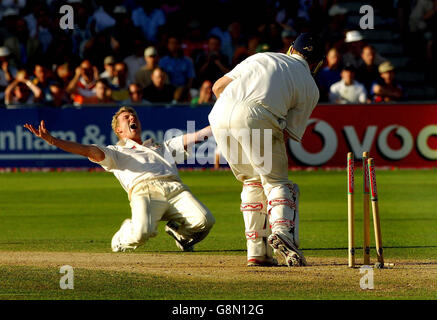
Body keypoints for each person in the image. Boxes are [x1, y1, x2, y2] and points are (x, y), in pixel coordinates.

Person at [23, 106, 215, 253]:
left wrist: (220, 123)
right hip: (145, 192)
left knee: (205, 220)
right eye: (126, 117)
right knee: (141, 234)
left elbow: (196, 136)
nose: (132, 118)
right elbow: (87, 150)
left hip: (176, 189)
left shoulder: (161, 146)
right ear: (119, 130)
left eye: (134, 116)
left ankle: (181, 236)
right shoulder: (116, 151)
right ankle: (121, 238)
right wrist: (53, 141)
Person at [208, 33, 324, 268]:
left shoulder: (262, 57)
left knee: (252, 181)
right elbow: (287, 133)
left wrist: (231, 119)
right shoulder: (309, 85)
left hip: (219, 114)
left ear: (291, 49)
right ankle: (282, 231)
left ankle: (257, 252)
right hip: (258, 116)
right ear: (317, 64)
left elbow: (217, 86)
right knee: (277, 183)